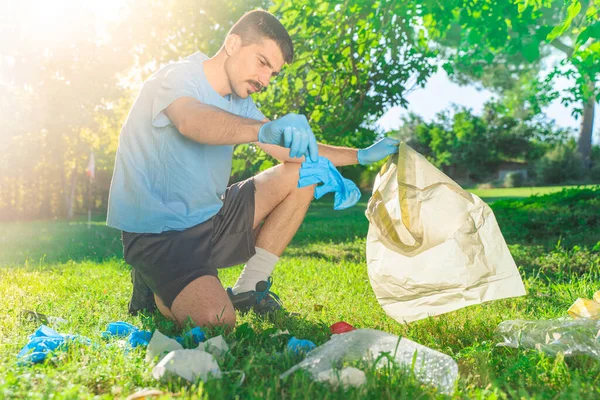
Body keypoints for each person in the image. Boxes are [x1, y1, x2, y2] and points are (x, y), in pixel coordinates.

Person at [106, 9, 398, 329]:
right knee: (216, 321)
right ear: (233, 44)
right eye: (262, 62)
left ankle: (249, 289)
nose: (265, 80)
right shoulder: (177, 77)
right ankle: (154, 286)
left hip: (209, 218)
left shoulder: (240, 101)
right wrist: (259, 130)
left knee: (302, 172)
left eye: (272, 73)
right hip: (160, 231)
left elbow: (294, 150)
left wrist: (362, 155)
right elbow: (193, 121)